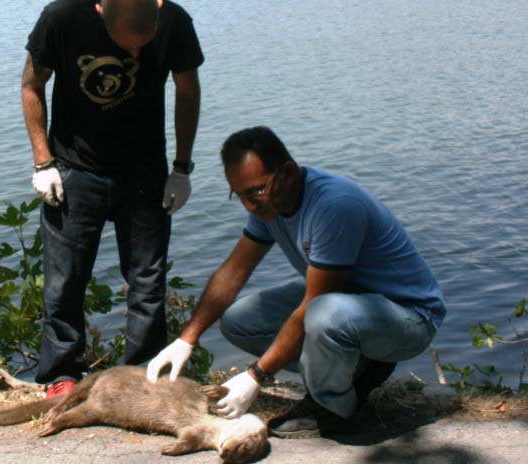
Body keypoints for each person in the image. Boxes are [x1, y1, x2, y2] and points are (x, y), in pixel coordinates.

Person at [147, 126, 446, 438]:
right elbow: (234, 271)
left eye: (256, 191)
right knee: (239, 320)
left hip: (409, 317)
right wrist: (187, 339)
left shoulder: (334, 206)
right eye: (240, 196)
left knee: (324, 313)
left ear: (287, 172)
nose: (250, 205)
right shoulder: (271, 205)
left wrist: (256, 375)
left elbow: (312, 306)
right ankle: (356, 372)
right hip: (349, 304)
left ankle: (332, 408)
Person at [22, 0, 204, 398]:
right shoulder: (62, 17)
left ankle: (143, 376)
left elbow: (188, 89)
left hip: (145, 171)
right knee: (64, 279)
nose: (136, 55)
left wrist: (182, 168)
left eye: (143, 47)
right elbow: (32, 85)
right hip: (74, 169)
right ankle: (62, 373)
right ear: (102, 12)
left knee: (147, 281)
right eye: (127, 47)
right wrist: (42, 162)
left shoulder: (175, 20)